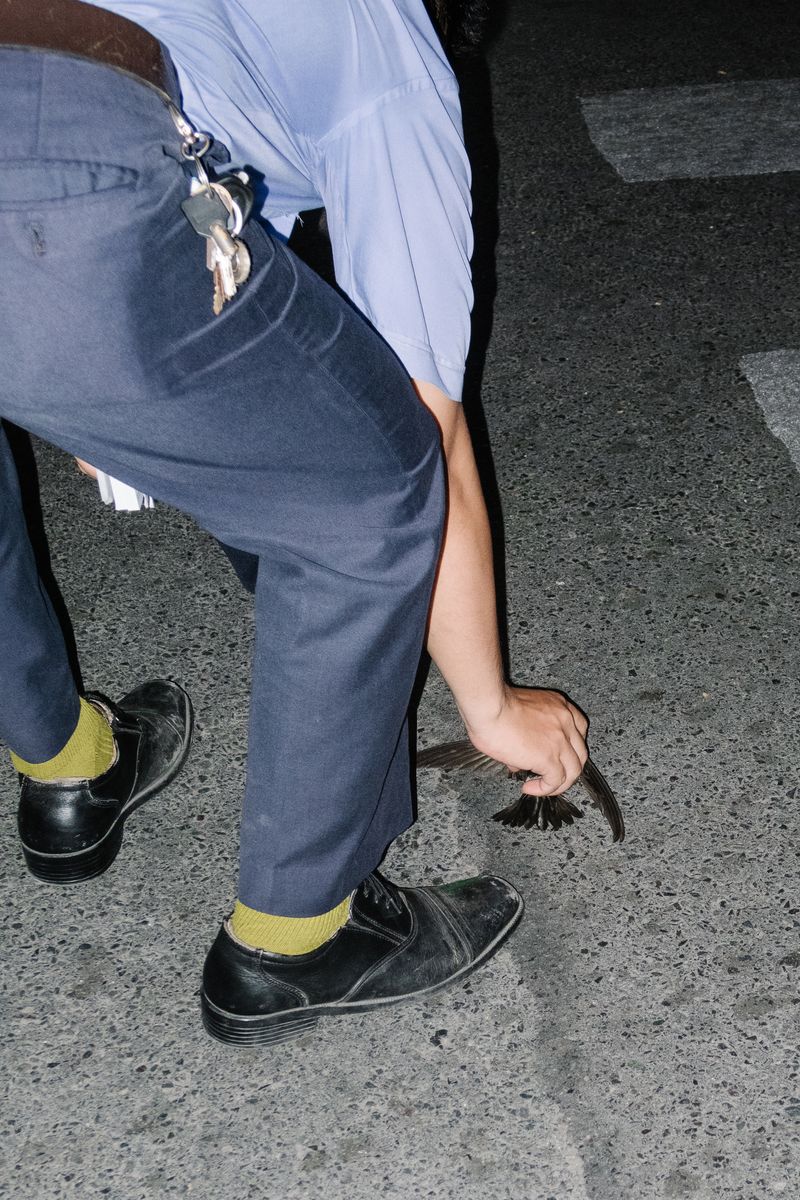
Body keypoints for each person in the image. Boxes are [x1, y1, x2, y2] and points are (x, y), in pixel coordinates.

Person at [0, 0, 587, 1046]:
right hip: (55, 158)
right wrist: (491, 705)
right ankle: (295, 938)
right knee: (373, 486)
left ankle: (65, 766)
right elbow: (424, 432)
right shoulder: (386, 59)